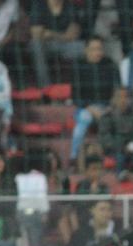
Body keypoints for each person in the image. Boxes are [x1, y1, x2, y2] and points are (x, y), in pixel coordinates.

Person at [70, 37, 119, 165]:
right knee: (83, 121)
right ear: (86, 50)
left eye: (100, 49)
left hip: (107, 106)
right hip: (85, 108)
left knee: (116, 120)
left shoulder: (110, 64)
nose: (98, 52)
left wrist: (110, 106)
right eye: (94, 49)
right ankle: (74, 157)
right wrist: (90, 108)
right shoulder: (78, 66)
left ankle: (114, 157)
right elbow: (75, 96)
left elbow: (118, 90)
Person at [29, 0, 86, 88]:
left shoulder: (70, 6)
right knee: (35, 44)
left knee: (84, 47)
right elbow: (35, 33)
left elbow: (72, 35)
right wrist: (63, 35)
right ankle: (45, 87)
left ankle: (80, 86)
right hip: (45, 46)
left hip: (65, 46)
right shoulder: (39, 5)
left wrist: (50, 34)